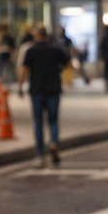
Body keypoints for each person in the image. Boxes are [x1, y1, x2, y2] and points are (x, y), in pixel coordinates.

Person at [18, 26, 70, 168]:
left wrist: (20, 86)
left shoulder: (31, 51)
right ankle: (53, 142)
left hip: (37, 90)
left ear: (36, 36)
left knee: (38, 122)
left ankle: (40, 154)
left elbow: (24, 69)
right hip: (54, 89)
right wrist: (58, 70)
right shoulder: (55, 50)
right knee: (53, 120)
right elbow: (67, 62)